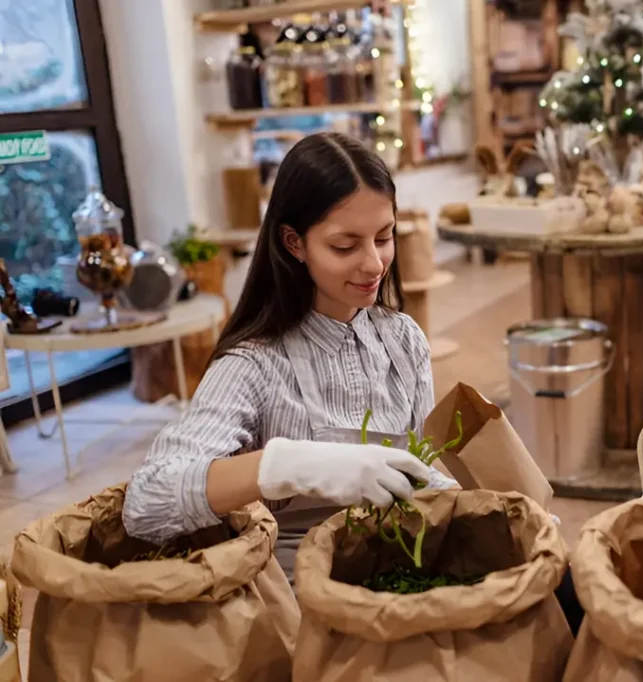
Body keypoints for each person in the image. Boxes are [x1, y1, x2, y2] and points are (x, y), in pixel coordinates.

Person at [123, 132, 454, 578]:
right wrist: (288, 465)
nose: (375, 263)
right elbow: (146, 504)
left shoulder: (404, 340)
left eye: (384, 237)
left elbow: (422, 472)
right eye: (345, 245)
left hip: (399, 573)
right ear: (294, 243)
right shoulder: (255, 365)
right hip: (301, 604)